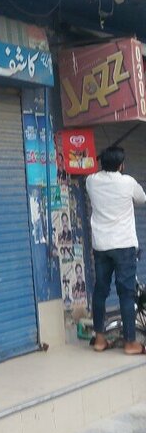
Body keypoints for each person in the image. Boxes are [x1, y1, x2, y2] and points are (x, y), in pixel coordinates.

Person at [86, 145, 146, 354]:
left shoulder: (91, 181)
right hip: (124, 245)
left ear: (101, 162)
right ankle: (130, 342)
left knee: (100, 291)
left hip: (101, 246)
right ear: (121, 165)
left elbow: (92, 173)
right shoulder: (127, 182)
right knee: (126, 293)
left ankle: (100, 339)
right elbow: (142, 199)